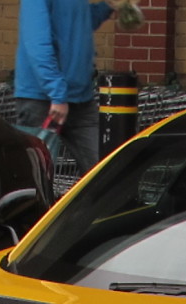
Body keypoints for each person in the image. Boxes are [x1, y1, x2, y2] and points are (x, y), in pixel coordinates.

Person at [15, 0, 121, 174]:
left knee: (104, 172)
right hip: (43, 100)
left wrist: (107, 8)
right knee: (37, 178)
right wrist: (57, 94)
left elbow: (78, 25)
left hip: (80, 98)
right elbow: (37, 43)